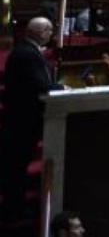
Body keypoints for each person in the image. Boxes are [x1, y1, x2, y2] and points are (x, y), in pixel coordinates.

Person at [2, 18, 61, 222]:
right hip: (22, 120)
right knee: (16, 166)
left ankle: (15, 207)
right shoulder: (26, 54)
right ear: (38, 31)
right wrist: (61, 89)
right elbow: (40, 84)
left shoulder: (27, 50)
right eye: (49, 30)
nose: (51, 34)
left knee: (17, 165)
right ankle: (14, 211)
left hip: (22, 118)